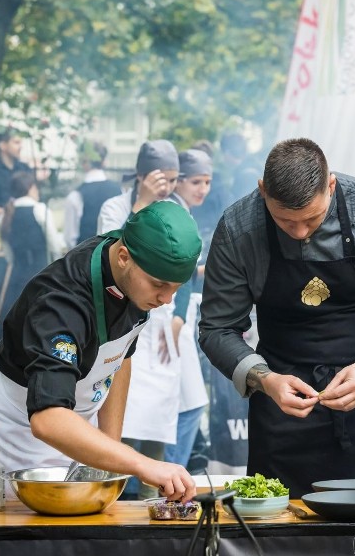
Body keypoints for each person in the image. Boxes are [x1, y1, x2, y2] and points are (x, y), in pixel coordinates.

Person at [199, 138, 355, 497]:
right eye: (284, 221)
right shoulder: (238, 230)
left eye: (311, 218)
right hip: (281, 410)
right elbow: (217, 328)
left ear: (331, 185)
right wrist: (264, 380)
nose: (300, 233)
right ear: (262, 191)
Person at [0, 202, 201, 503]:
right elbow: (48, 420)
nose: (167, 299)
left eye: (177, 288)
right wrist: (140, 463)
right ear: (123, 258)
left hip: (80, 432)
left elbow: (119, 358)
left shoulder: (134, 279)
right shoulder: (62, 304)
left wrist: (109, 450)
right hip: (16, 435)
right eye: (159, 285)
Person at [97, 139, 184, 499]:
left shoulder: (177, 211)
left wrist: (175, 318)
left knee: (155, 425)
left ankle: (157, 506)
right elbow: (108, 249)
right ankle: (106, 496)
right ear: (141, 174)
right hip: (119, 324)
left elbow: (184, 265)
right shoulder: (114, 206)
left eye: (175, 179)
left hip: (159, 325)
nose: (169, 186)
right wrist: (143, 204)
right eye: (163, 178)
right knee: (116, 427)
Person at [163, 149, 213, 468]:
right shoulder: (171, 212)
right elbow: (174, 271)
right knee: (187, 404)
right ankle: (167, 478)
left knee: (184, 404)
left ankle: (166, 477)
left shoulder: (183, 212)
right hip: (168, 316)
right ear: (178, 181)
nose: (203, 189)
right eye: (196, 181)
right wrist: (178, 315)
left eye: (207, 182)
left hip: (176, 315)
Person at [0, 171, 65, 312]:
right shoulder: (40, 209)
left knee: (19, 316)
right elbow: (54, 245)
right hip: (41, 275)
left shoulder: (4, 215)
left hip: (17, 277)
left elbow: (8, 253)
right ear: (30, 187)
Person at [63, 140, 121, 249]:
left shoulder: (75, 195)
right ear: (104, 162)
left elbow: (70, 238)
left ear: (83, 163)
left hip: (84, 259)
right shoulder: (119, 191)